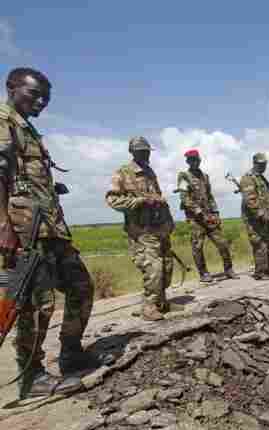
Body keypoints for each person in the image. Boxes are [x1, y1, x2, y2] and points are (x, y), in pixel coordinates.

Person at [0, 67, 110, 399]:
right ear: (11, 88)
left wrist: (49, 187)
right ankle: (31, 377)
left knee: (80, 286)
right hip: (23, 232)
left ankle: (71, 353)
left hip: (49, 228)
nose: (41, 101)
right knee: (37, 304)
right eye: (34, 94)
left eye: (46, 97)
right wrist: (3, 225)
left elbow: (19, 175)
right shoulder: (3, 122)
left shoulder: (27, 129)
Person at [107, 136, 175, 322]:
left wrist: (168, 221)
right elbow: (112, 200)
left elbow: (157, 197)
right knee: (154, 269)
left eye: (147, 151)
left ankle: (160, 303)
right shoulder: (123, 173)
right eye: (141, 151)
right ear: (133, 152)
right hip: (141, 231)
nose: (146, 154)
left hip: (159, 227)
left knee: (167, 268)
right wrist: (140, 201)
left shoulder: (150, 172)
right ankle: (149, 307)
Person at [177, 149, 236, 283]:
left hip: (209, 216)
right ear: (187, 162)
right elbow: (184, 197)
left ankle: (229, 269)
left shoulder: (205, 176)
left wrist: (216, 213)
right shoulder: (183, 176)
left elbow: (210, 197)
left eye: (196, 160)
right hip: (195, 219)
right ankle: (203, 273)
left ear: (199, 160)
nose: (194, 162)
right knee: (197, 247)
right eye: (191, 160)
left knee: (222, 243)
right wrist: (198, 212)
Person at [240, 152, 269, 279]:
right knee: (260, 244)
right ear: (255, 163)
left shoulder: (262, 179)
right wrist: (260, 214)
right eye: (260, 164)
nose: (263, 166)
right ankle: (260, 272)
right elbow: (250, 200)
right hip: (255, 220)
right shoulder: (248, 178)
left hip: (266, 217)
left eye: (264, 164)